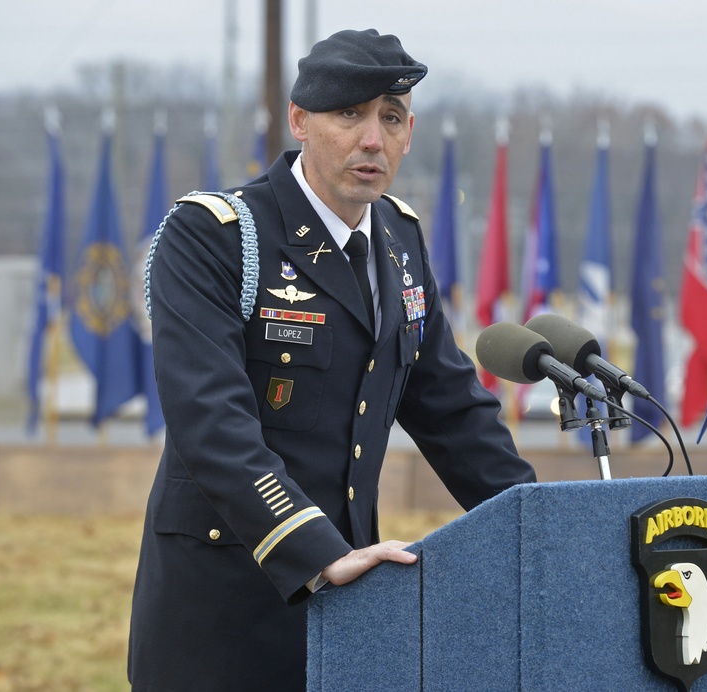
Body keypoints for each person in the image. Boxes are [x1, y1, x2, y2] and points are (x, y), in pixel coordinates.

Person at [127, 28, 535, 691]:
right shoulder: (215, 236)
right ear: (299, 120)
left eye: (392, 118)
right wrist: (312, 550)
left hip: (348, 606)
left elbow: (456, 415)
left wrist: (542, 529)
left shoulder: (399, 240)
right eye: (350, 114)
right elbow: (211, 421)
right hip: (220, 612)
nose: (372, 138)